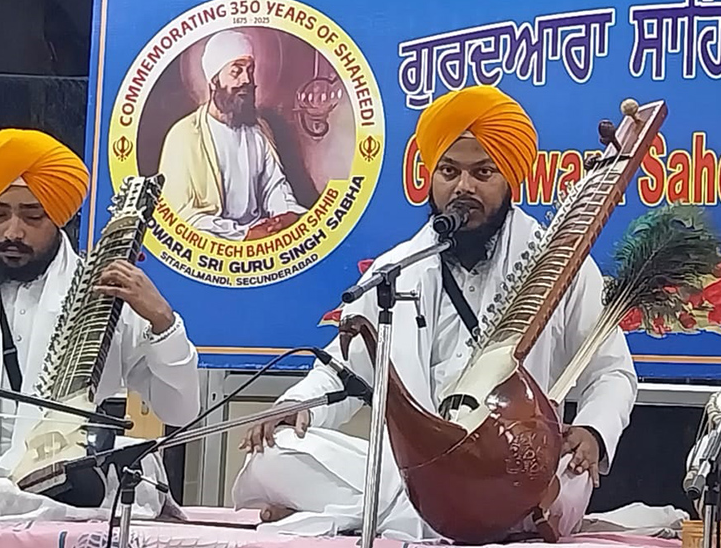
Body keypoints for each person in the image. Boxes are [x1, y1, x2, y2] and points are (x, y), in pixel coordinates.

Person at [230, 85, 638, 540]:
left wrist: (593, 431)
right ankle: (403, 514)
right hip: (417, 475)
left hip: (511, 471)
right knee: (275, 452)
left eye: (483, 172)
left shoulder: (558, 264)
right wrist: (298, 404)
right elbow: (345, 372)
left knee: (566, 477)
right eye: (449, 171)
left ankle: (353, 513)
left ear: (510, 179)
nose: (463, 187)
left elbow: (611, 371)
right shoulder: (396, 269)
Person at [0, 129, 201, 518]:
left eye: (32, 216)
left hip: (61, 479)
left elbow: (180, 410)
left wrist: (163, 322)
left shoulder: (105, 295)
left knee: (131, 467)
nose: (13, 232)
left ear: (61, 217)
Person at [160, 30, 306, 241]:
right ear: (214, 81)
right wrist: (243, 234)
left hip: (261, 237)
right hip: (210, 245)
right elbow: (180, 214)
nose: (247, 79)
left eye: (250, 70)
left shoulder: (259, 130)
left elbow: (274, 185)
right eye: (236, 72)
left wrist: (285, 213)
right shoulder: (182, 136)